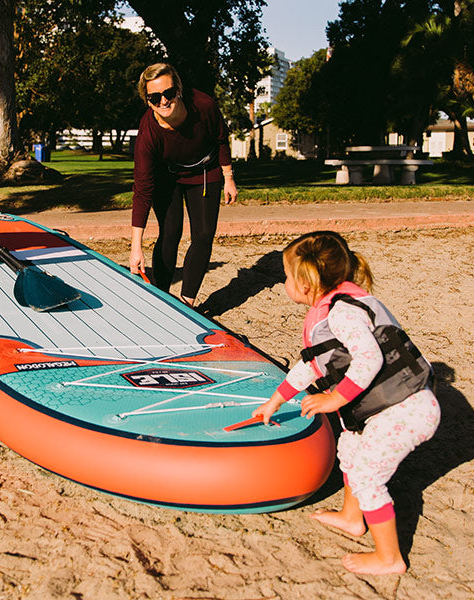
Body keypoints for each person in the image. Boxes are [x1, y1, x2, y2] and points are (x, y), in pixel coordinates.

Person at [252, 231, 441, 575]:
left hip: (406, 409)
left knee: (368, 477)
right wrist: (275, 401)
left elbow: (369, 359)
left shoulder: (342, 314)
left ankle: (389, 558)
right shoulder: (335, 307)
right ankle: (353, 518)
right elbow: (312, 365)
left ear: (307, 283)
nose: (284, 283)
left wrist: (334, 398)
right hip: (385, 409)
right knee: (351, 450)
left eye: (287, 276)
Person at [129, 63, 238, 307]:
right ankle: (159, 296)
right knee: (170, 232)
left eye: (168, 93)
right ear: (147, 100)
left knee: (203, 233)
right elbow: (142, 191)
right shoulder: (148, 133)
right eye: (155, 97)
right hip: (167, 175)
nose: (163, 101)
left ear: (178, 89)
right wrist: (136, 248)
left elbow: (220, 139)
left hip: (204, 170)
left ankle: (186, 302)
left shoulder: (204, 105)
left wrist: (228, 177)